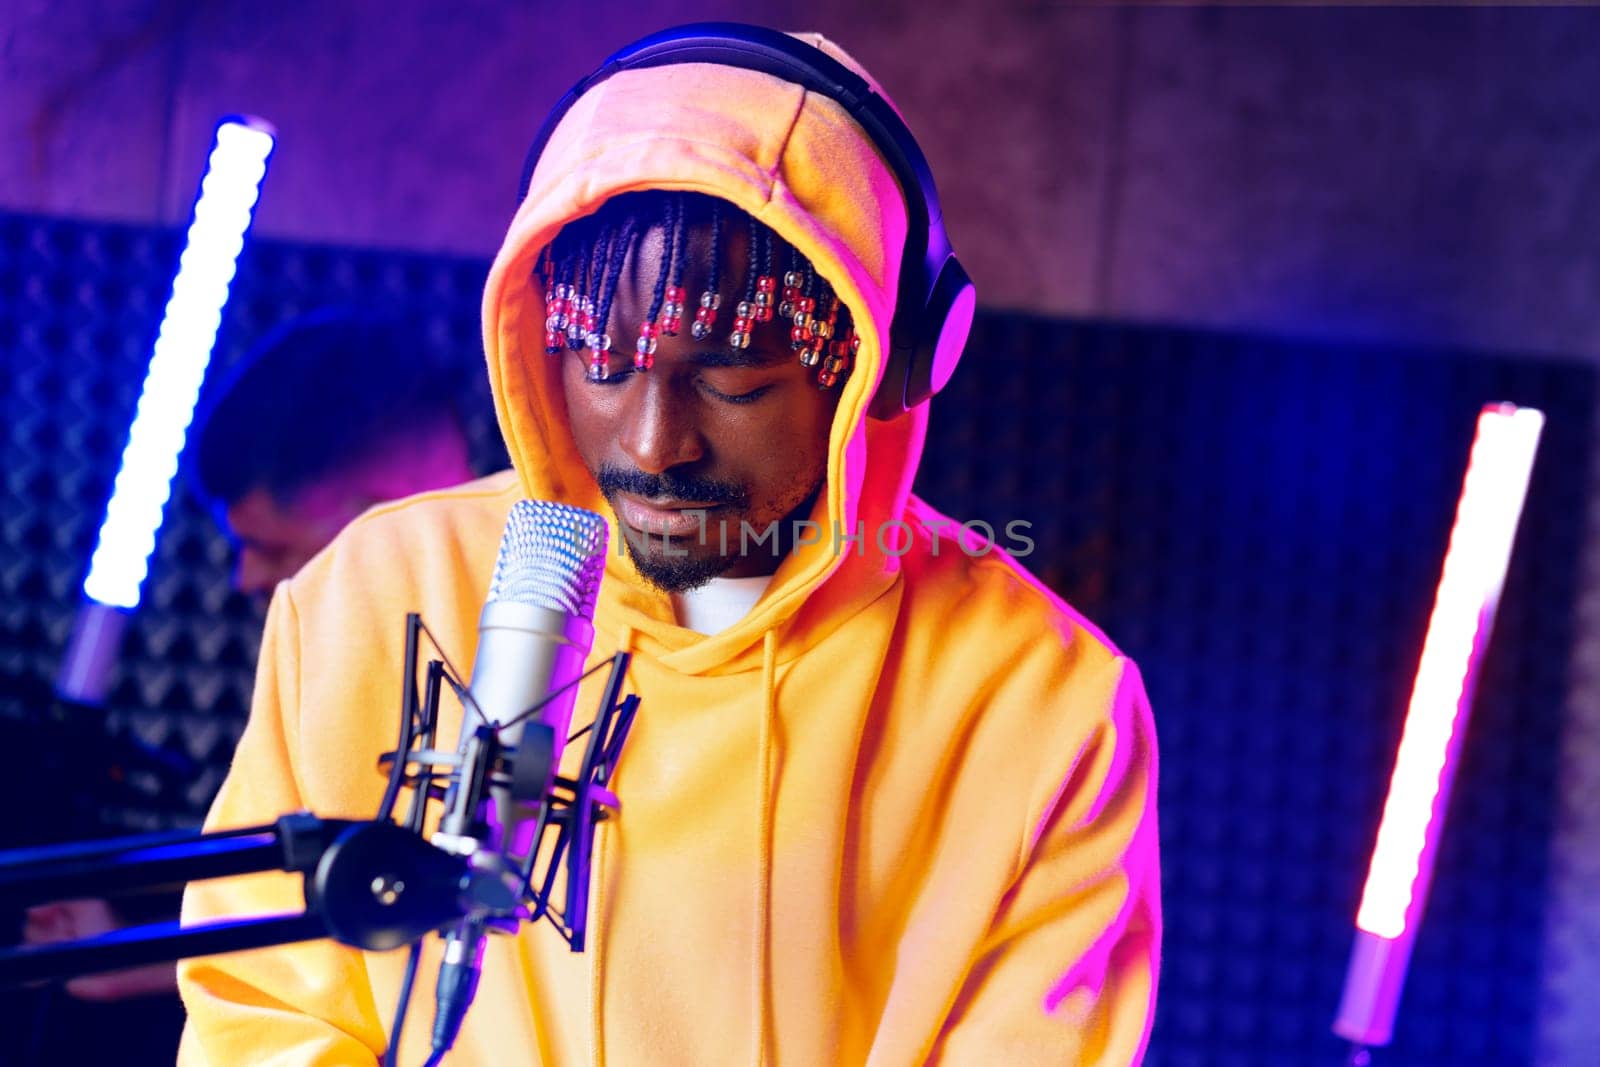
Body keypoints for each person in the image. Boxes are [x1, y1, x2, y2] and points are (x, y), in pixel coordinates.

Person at [177, 24, 1161, 1066]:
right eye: (600, 364)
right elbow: (262, 1008)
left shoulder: (1041, 699)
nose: (652, 443)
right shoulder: (378, 595)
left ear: (883, 362)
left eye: (730, 379)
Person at [18, 310, 480, 1008]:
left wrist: (138, 961)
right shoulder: (342, 667)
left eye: (268, 544)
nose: (244, 579)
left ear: (381, 519)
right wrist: (133, 950)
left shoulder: (531, 669)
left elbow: (427, 925)